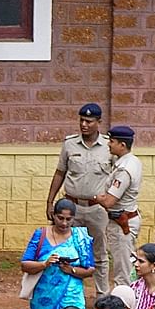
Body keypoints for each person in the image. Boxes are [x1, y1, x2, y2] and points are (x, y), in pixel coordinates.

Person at [47, 102, 114, 280]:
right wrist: (50, 202)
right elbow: (60, 173)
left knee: (99, 253)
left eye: (89, 121)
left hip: (97, 209)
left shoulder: (109, 146)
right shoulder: (70, 144)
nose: (84, 125)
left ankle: (102, 295)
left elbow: (117, 178)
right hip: (72, 208)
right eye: (82, 121)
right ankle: (69, 291)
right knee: (67, 249)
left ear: (99, 122)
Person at [21, 199, 95, 309]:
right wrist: (44, 264)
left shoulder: (80, 237)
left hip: (71, 293)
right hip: (44, 296)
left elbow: (90, 269)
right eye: (60, 218)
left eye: (69, 219)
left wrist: (71, 270)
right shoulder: (40, 234)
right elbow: (25, 264)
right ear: (53, 215)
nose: (64, 223)